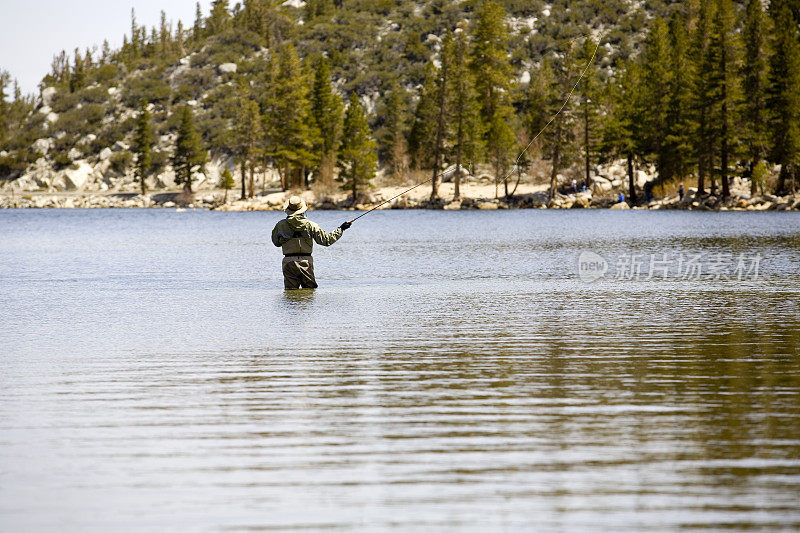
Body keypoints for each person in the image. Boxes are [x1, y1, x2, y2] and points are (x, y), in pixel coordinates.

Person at [272, 196, 351, 289]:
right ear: (303, 210)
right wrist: (341, 229)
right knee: (309, 293)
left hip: (288, 262)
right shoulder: (311, 225)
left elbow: (276, 242)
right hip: (306, 262)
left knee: (290, 294)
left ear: (289, 209)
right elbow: (326, 241)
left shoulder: (280, 225)